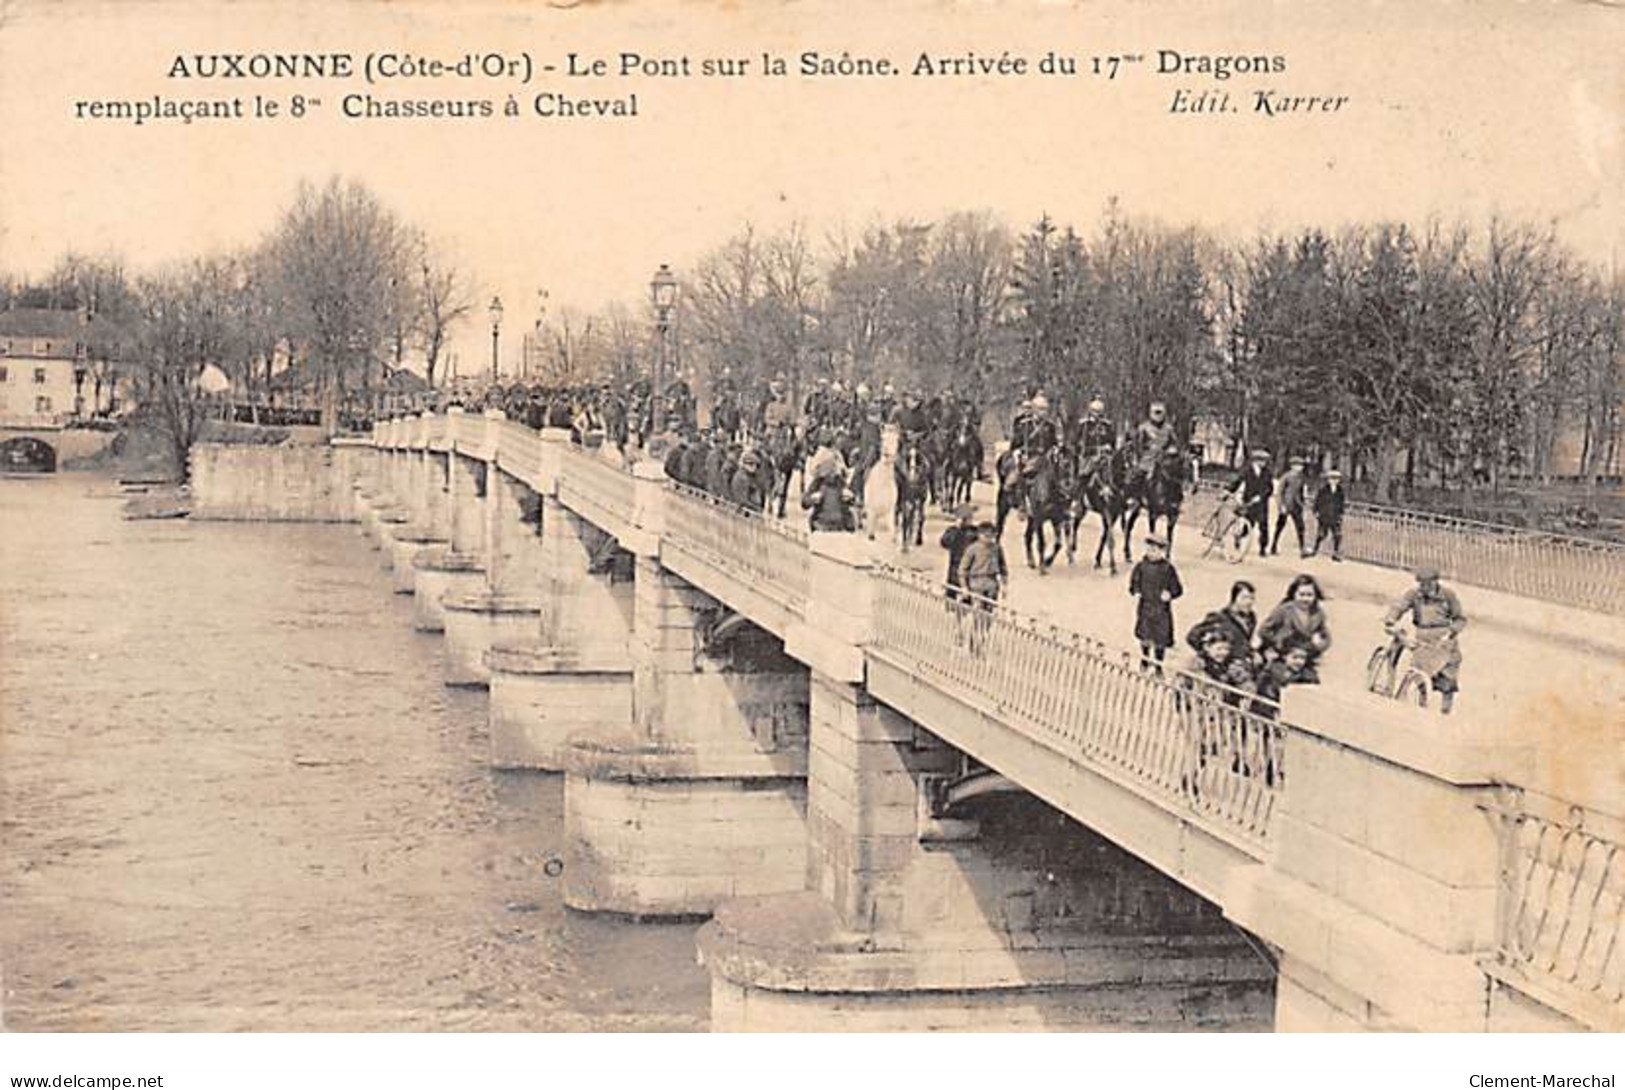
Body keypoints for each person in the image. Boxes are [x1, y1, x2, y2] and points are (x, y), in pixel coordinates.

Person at [1383, 566, 1468, 714]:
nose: (1425, 588)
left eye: (1428, 584)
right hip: (1423, 635)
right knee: (1419, 673)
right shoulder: (1414, 594)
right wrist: (1391, 620)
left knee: (1448, 677)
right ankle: (1416, 703)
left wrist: (1452, 632)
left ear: (1436, 582)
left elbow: (1460, 619)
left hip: (1444, 638)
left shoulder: (1448, 595)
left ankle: (1445, 711)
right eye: (1422, 584)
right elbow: (1399, 606)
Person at [1259, 574, 1332, 680]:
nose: (1305, 599)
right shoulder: (1284, 610)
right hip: (1282, 656)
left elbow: (1326, 637)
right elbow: (1264, 630)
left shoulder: (1318, 614)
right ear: (1294, 594)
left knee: (1311, 680)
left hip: (1305, 658)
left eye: (1309, 595)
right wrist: (1278, 642)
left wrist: (1319, 644)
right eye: (1301, 595)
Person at [1129, 534, 1183, 673]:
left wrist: (1170, 594)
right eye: (1149, 549)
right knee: (1145, 635)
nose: (1151, 553)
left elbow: (1177, 588)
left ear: (1162, 552)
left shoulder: (1168, 569)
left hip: (1161, 610)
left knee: (1161, 638)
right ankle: (1145, 660)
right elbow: (1134, 582)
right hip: (1145, 607)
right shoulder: (1141, 567)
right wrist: (1136, 590)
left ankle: (1159, 664)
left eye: (1154, 550)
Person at [957, 521, 1007, 653]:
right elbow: (962, 569)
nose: (989, 539)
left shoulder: (997, 548)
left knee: (989, 615)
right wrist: (964, 587)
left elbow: (1003, 568)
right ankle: (975, 643)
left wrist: (1004, 585)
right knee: (978, 614)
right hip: (977, 583)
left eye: (991, 536)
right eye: (986, 536)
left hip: (992, 584)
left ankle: (983, 639)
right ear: (979, 535)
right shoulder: (972, 549)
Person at [1186, 580, 1259, 660]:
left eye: (1252, 598)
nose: (1249, 602)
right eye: (1244, 598)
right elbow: (1192, 636)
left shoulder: (1251, 618)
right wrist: (1208, 653)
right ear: (1234, 598)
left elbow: (1246, 642)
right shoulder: (1219, 617)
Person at [1233, 448, 1274, 557]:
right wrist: (1228, 490)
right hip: (1249, 502)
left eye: (1265, 461)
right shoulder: (1247, 471)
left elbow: (1270, 488)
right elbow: (1237, 481)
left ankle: (1263, 548)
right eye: (1261, 460)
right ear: (1255, 461)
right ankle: (1239, 536)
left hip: (1261, 504)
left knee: (1263, 527)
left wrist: (1261, 497)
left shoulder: (1268, 473)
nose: (1263, 463)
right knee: (1249, 525)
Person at [940, 503, 979, 601]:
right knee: (952, 599)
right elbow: (944, 542)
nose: (969, 520)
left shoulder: (974, 533)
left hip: (968, 571)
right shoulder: (953, 532)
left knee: (964, 600)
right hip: (956, 571)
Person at [1272, 456, 1309, 557]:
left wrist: (1303, 503)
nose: (1299, 468)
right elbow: (1279, 493)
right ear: (1292, 466)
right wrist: (1281, 506)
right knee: (1280, 526)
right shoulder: (1286, 477)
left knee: (1300, 527)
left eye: (1301, 466)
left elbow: (1303, 492)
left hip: (1297, 506)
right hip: (1286, 505)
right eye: (1297, 465)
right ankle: (1273, 546)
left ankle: (1302, 549)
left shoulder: (1302, 478)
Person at [1312, 468, 1347, 561]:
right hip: (1324, 515)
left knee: (1337, 535)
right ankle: (1315, 549)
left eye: (1336, 479)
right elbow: (1317, 501)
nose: (1334, 481)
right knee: (1321, 534)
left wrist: (1341, 513)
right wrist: (1316, 511)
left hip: (1335, 516)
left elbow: (1341, 503)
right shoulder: (1323, 490)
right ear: (1328, 479)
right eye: (1332, 478)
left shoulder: (1340, 491)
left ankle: (1335, 553)